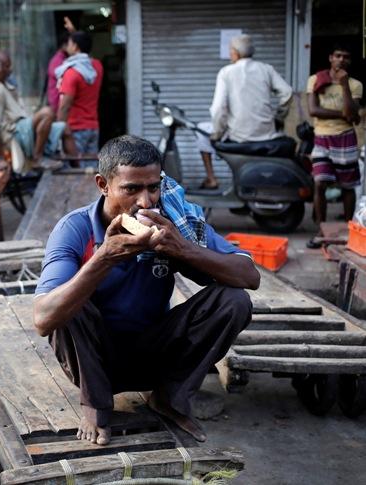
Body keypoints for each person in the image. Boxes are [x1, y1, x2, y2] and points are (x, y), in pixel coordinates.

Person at [33, 135, 259, 445]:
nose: (145, 201)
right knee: (70, 300)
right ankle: (96, 405)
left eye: (153, 187)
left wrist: (182, 249)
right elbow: (43, 319)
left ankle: (170, 397)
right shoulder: (75, 228)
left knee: (234, 300)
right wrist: (104, 258)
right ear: (103, 184)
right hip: (93, 361)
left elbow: (249, 275)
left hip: (154, 352)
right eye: (131, 189)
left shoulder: (171, 222)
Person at [196, 34, 293, 189]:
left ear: (235, 53)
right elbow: (287, 92)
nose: (229, 55)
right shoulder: (266, 69)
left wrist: (218, 134)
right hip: (267, 133)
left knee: (201, 130)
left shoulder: (226, 72)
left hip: (239, 135)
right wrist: (278, 118)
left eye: (230, 51)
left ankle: (211, 178)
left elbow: (218, 109)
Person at [306, 45, 363, 249]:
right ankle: (321, 229)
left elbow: (351, 111)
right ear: (331, 58)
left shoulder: (355, 85)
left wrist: (344, 84)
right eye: (338, 56)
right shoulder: (316, 80)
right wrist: (345, 115)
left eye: (346, 56)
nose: (341, 60)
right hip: (322, 138)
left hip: (345, 138)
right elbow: (313, 110)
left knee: (347, 186)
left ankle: (349, 229)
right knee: (320, 183)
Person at [0, 50, 77, 168]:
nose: (9, 70)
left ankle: (78, 170)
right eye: (6, 66)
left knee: (64, 128)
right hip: (15, 133)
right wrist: (1, 158)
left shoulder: (3, 85)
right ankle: (38, 157)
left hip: (23, 128)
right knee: (47, 113)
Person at [56, 31, 104, 156]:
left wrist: (57, 129)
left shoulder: (71, 73)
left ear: (76, 46)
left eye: (69, 43)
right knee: (90, 169)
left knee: (74, 171)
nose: (67, 46)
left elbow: (65, 106)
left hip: (74, 129)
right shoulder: (97, 66)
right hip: (93, 127)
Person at [46, 17, 76, 114]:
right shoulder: (58, 61)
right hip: (58, 106)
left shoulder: (64, 60)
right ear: (64, 46)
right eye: (72, 44)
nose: (74, 48)